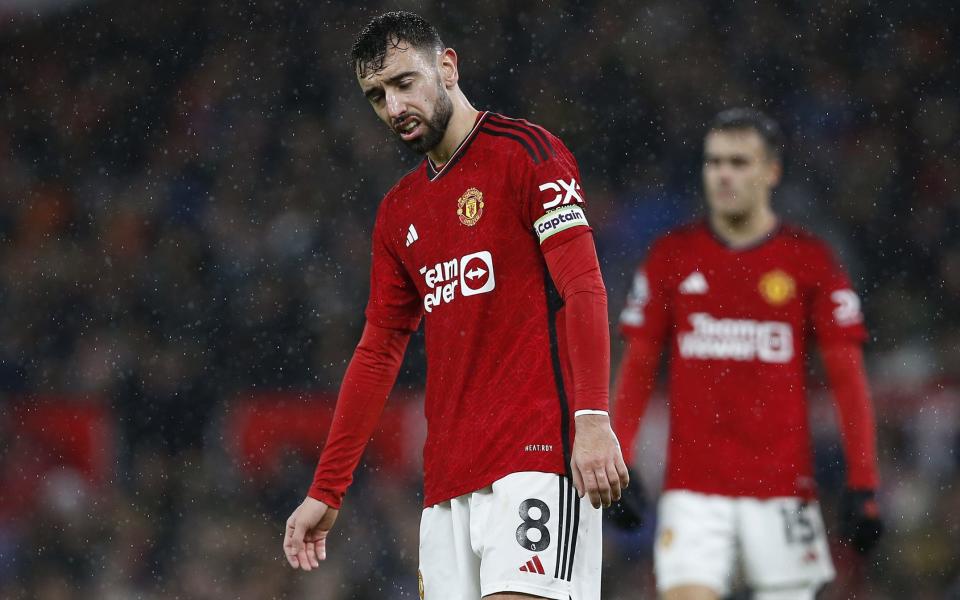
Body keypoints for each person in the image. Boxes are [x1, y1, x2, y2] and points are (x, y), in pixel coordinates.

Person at [281, 11, 628, 600]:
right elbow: (378, 351)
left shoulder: (528, 154)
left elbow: (584, 288)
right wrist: (327, 488)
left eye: (403, 83)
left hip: (536, 458)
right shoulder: (399, 212)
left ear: (447, 67)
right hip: (447, 482)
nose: (394, 109)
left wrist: (592, 418)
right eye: (376, 96)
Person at [610, 108, 884, 600]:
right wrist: (620, 461)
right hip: (693, 491)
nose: (724, 174)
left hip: (783, 490)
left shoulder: (809, 260)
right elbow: (637, 368)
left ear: (771, 171)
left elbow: (848, 379)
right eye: (714, 162)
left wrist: (864, 481)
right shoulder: (672, 256)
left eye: (739, 162)